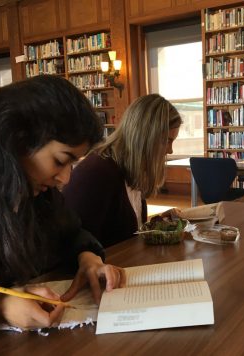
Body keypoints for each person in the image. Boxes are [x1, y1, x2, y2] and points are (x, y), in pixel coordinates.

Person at [0, 75, 122, 351]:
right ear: (18, 139)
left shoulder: (30, 185)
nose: (66, 179)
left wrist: (88, 258)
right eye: (60, 161)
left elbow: (68, 231)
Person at [63, 94, 182, 246]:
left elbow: (122, 230)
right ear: (145, 138)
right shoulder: (98, 173)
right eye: (166, 141)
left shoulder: (132, 168)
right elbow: (78, 244)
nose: (170, 150)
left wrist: (158, 222)